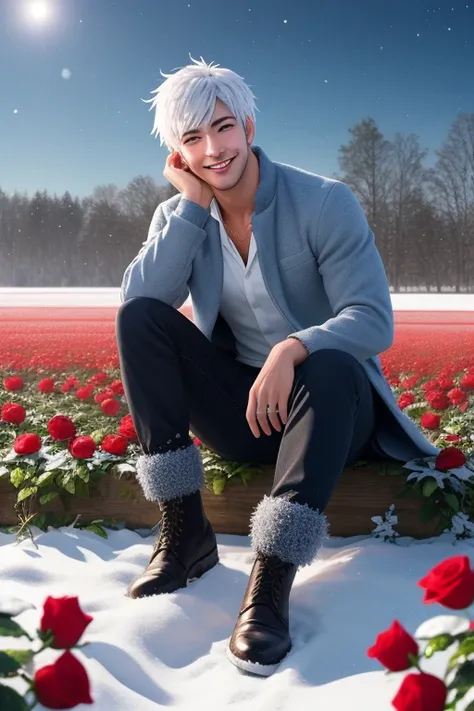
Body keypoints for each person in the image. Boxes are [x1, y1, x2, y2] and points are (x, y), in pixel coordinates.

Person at [116, 55, 439, 677]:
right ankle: (185, 533)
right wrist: (189, 207)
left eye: (223, 127)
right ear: (177, 154)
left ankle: (268, 584)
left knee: (333, 364)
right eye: (193, 138)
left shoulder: (324, 202)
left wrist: (295, 347)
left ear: (250, 126)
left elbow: (373, 319)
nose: (214, 149)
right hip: (250, 416)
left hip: (333, 415)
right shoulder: (178, 214)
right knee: (138, 318)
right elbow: (142, 305)